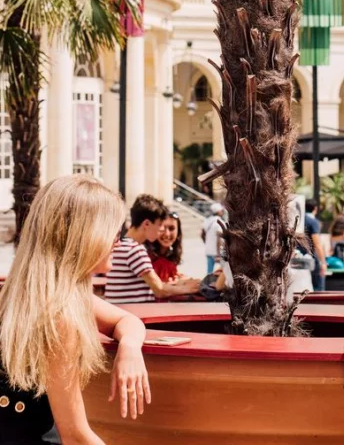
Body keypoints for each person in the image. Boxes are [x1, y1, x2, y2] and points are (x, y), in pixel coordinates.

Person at [0, 175, 151, 445]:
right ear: (84, 237)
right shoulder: (58, 315)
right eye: (113, 233)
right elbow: (76, 437)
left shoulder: (36, 294)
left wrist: (129, 347)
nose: (118, 242)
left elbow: (126, 320)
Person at [105, 194, 200, 303]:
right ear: (146, 224)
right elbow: (159, 290)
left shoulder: (119, 245)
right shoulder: (135, 250)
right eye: (160, 224)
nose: (161, 230)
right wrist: (188, 288)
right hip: (136, 314)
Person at [149, 211, 183, 283]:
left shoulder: (170, 255)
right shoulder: (147, 257)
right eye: (163, 228)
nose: (167, 234)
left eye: (171, 228)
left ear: (178, 232)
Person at [304, 199, 327, 291]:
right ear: (315, 209)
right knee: (319, 286)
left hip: (299, 256)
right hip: (312, 257)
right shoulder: (313, 222)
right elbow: (317, 243)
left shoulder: (301, 219)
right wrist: (323, 262)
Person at [202, 201, 225, 276]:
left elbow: (202, 234)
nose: (223, 212)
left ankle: (207, 285)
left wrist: (207, 243)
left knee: (209, 272)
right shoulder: (219, 222)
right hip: (216, 252)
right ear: (218, 211)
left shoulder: (207, 221)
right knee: (221, 272)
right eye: (222, 210)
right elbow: (219, 239)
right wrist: (218, 253)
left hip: (208, 250)